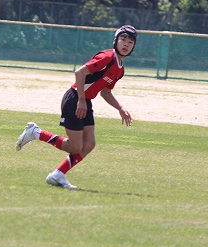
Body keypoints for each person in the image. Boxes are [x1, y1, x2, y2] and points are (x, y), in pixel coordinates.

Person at [15, 25, 136, 189]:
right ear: (116, 40)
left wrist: (120, 108)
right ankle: (36, 133)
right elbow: (80, 73)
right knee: (75, 146)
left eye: (130, 42)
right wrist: (81, 100)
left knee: (89, 144)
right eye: (123, 39)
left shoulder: (120, 70)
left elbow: (106, 92)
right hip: (75, 99)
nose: (126, 44)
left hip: (85, 101)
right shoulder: (107, 57)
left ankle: (58, 175)